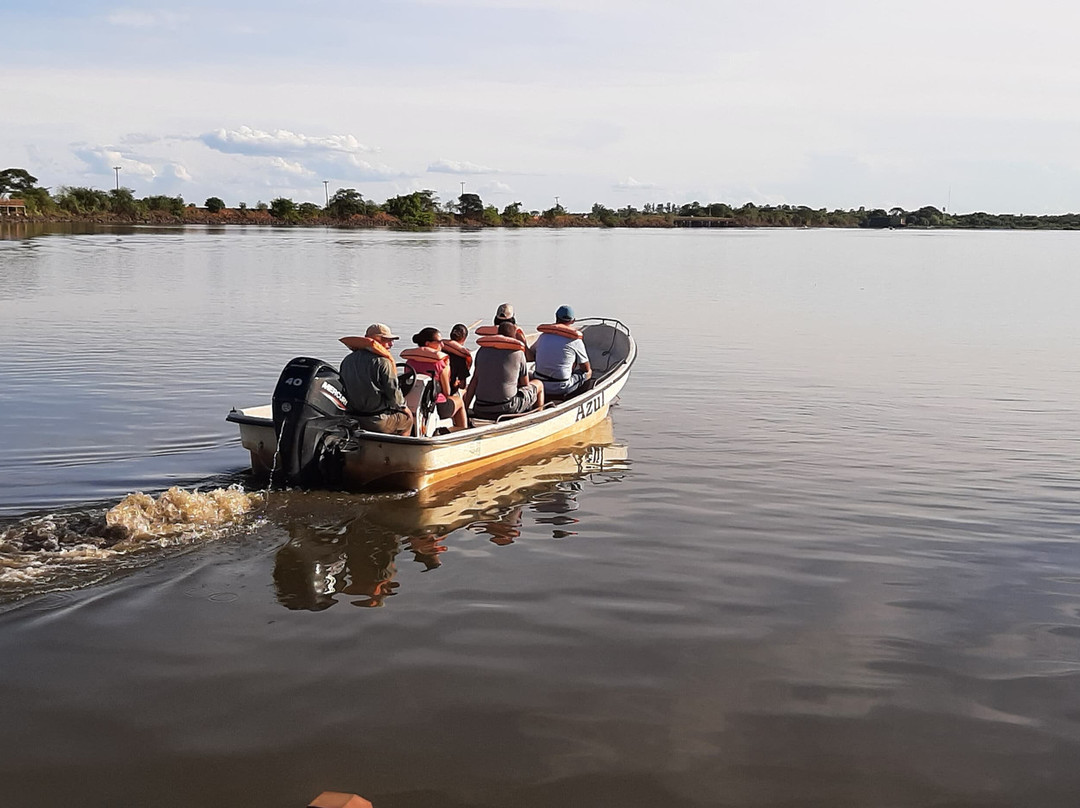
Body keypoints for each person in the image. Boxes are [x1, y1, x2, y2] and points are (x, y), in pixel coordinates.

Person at [338, 323, 414, 435]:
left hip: (352, 417)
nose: (391, 344)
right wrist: (404, 409)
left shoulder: (347, 360)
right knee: (408, 420)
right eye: (387, 340)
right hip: (377, 421)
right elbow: (393, 392)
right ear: (375, 340)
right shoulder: (383, 362)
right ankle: (401, 450)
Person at [464, 321, 544, 419]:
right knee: (538, 384)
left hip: (481, 408)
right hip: (507, 408)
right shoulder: (518, 353)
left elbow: (474, 381)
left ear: (497, 334)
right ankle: (538, 418)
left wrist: (465, 408)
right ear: (513, 337)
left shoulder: (482, 351)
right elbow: (525, 385)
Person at [401, 327, 467, 431]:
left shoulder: (410, 361)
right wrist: (448, 368)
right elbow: (447, 392)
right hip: (437, 406)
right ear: (427, 343)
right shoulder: (440, 364)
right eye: (439, 342)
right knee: (459, 401)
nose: (443, 345)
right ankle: (463, 434)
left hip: (414, 405)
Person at [533, 304, 592, 398]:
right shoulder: (575, 340)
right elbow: (586, 368)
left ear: (556, 317)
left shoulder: (543, 336)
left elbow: (533, 354)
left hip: (540, 383)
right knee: (588, 373)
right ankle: (576, 398)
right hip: (561, 386)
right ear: (573, 321)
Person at [442, 322, 473, 392]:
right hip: (449, 391)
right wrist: (457, 383)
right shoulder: (461, 357)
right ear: (464, 339)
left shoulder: (439, 350)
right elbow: (462, 385)